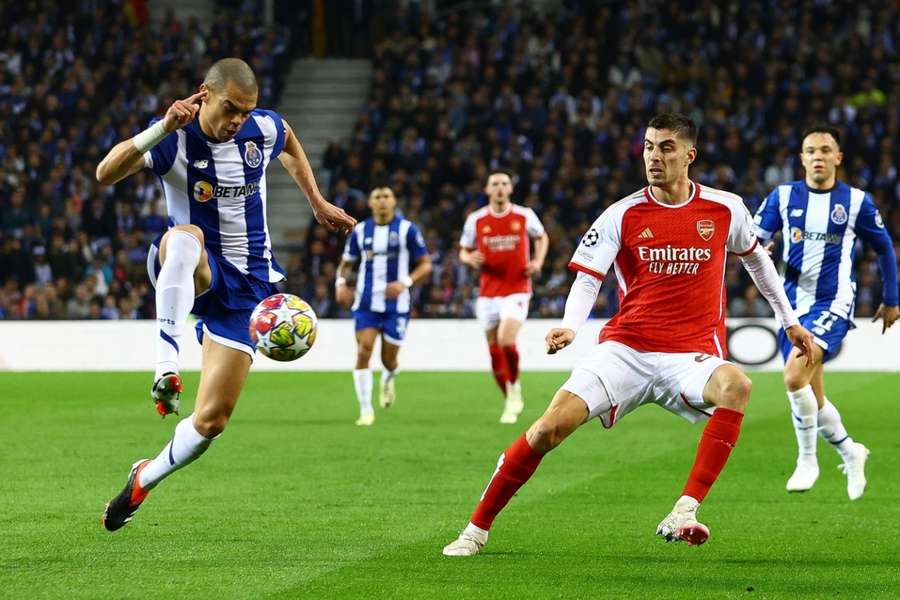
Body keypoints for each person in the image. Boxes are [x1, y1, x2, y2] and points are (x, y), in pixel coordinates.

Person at [442, 113, 815, 556]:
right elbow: (588, 278)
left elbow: (756, 260)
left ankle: (684, 510)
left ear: (689, 155)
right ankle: (476, 529)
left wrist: (788, 319)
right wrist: (570, 325)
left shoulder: (725, 207)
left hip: (689, 354)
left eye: (666, 148)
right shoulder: (623, 213)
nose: (654, 157)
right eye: (648, 147)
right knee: (547, 430)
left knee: (738, 384)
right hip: (626, 350)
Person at [96, 58, 355, 531]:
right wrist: (160, 129)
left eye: (246, 110)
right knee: (186, 234)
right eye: (231, 108)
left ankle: (143, 479)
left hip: (250, 289)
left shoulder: (260, 129)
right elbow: (105, 173)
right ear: (205, 94)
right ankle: (166, 364)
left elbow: (289, 136)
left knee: (211, 421)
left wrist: (315, 200)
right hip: (189, 265)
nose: (238, 119)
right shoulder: (174, 135)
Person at [754, 124, 898, 500]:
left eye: (825, 150)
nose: (818, 156)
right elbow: (753, 241)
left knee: (791, 378)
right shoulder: (783, 197)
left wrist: (892, 297)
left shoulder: (856, 202)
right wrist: (761, 251)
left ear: (838, 158)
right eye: (811, 151)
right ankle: (851, 451)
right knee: (812, 396)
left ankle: (807, 460)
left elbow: (883, 248)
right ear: (802, 159)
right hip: (790, 307)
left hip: (832, 303)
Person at [335, 186, 432, 425]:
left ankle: (388, 377)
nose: (382, 202)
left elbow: (426, 264)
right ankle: (366, 410)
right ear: (370, 203)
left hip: (396, 305)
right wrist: (339, 283)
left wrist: (405, 282)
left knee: (389, 360)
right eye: (377, 197)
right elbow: (346, 263)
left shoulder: (407, 229)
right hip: (366, 302)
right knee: (364, 350)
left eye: (386, 197)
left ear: (394, 201)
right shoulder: (360, 231)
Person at [459, 171, 549, 423]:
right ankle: (510, 396)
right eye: (495, 184)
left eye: (504, 184)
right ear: (487, 190)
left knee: (506, 340)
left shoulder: (524, 215)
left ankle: (515, 385)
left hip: (517, 288)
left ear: (510, 189)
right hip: (488, 292)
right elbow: (463, 250)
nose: (500, 187)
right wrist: (469, 258)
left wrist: (537, 261)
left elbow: (541, 237)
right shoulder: (476, 220)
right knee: (494, 350)